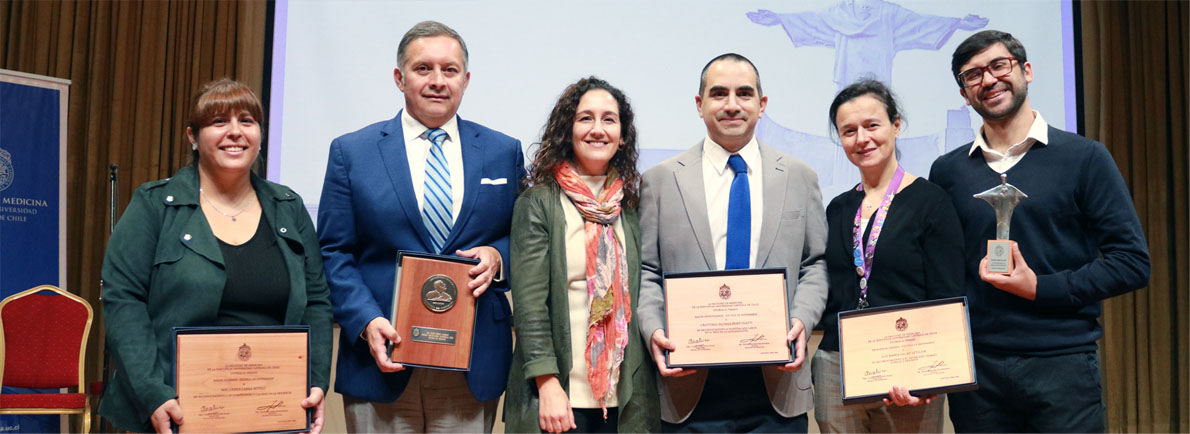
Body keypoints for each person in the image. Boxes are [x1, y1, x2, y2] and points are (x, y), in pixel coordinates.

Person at [930, 30, 1150, 432]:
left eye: (1000, 65)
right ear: (965, 94)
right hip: (978, 372)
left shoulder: (1085, 158)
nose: (989, 80)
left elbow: (1132, 263)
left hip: (1063, 365)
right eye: (973, 75)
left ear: (1026, 71)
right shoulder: (947, 171)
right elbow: (942, 272)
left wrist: (1040, 288)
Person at [317, 20, 523, 433]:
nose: (437, 81)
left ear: (465, 80)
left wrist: (498, 256)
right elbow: (333, 252)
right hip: (382, 356)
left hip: (471, 360)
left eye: (449, 70)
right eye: (423, 68)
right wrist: (365, 322)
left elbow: (524, 238)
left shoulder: (503, 151)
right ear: (399, 77)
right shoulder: (352, 152)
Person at [99, 79, 333, 433]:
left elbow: (317, 301)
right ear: (193, 136)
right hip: (177, 410)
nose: (235, 132)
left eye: (247, 121)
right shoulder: (153, 205)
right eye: (219, 122)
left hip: (272, 411)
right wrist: (152, 393)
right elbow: (123, 300)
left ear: (260, 134)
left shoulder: (288, 207)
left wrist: (316, 380)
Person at [636, 53, 829, 432]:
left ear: (762, 104)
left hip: (777, 381)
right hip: (688, 382)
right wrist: (653, 328)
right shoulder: (660, 181)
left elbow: (815, 263)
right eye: (718, 93)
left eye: (744, 93)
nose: (731, 105)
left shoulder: (799, 176)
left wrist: (801, 320)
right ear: (699, 104)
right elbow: (646, 270)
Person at [504, 77, 660, 433]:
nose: (597, 129)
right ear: (567, 131)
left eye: (609, 119)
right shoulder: (538, 202)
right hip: (558, 396)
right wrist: (547, 384)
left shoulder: (633, 207)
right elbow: (529, 306)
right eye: (585, 118)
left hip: (625, 397)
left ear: (622, 136)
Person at [813, 79, 964, 432]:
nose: (861, 139)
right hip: (838, 364)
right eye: (848, 131)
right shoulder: (838, 208)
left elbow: (948, 293)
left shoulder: (932, 202)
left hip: (908, 369)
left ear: (896, 125)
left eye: (872, 125)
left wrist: (931, 374)